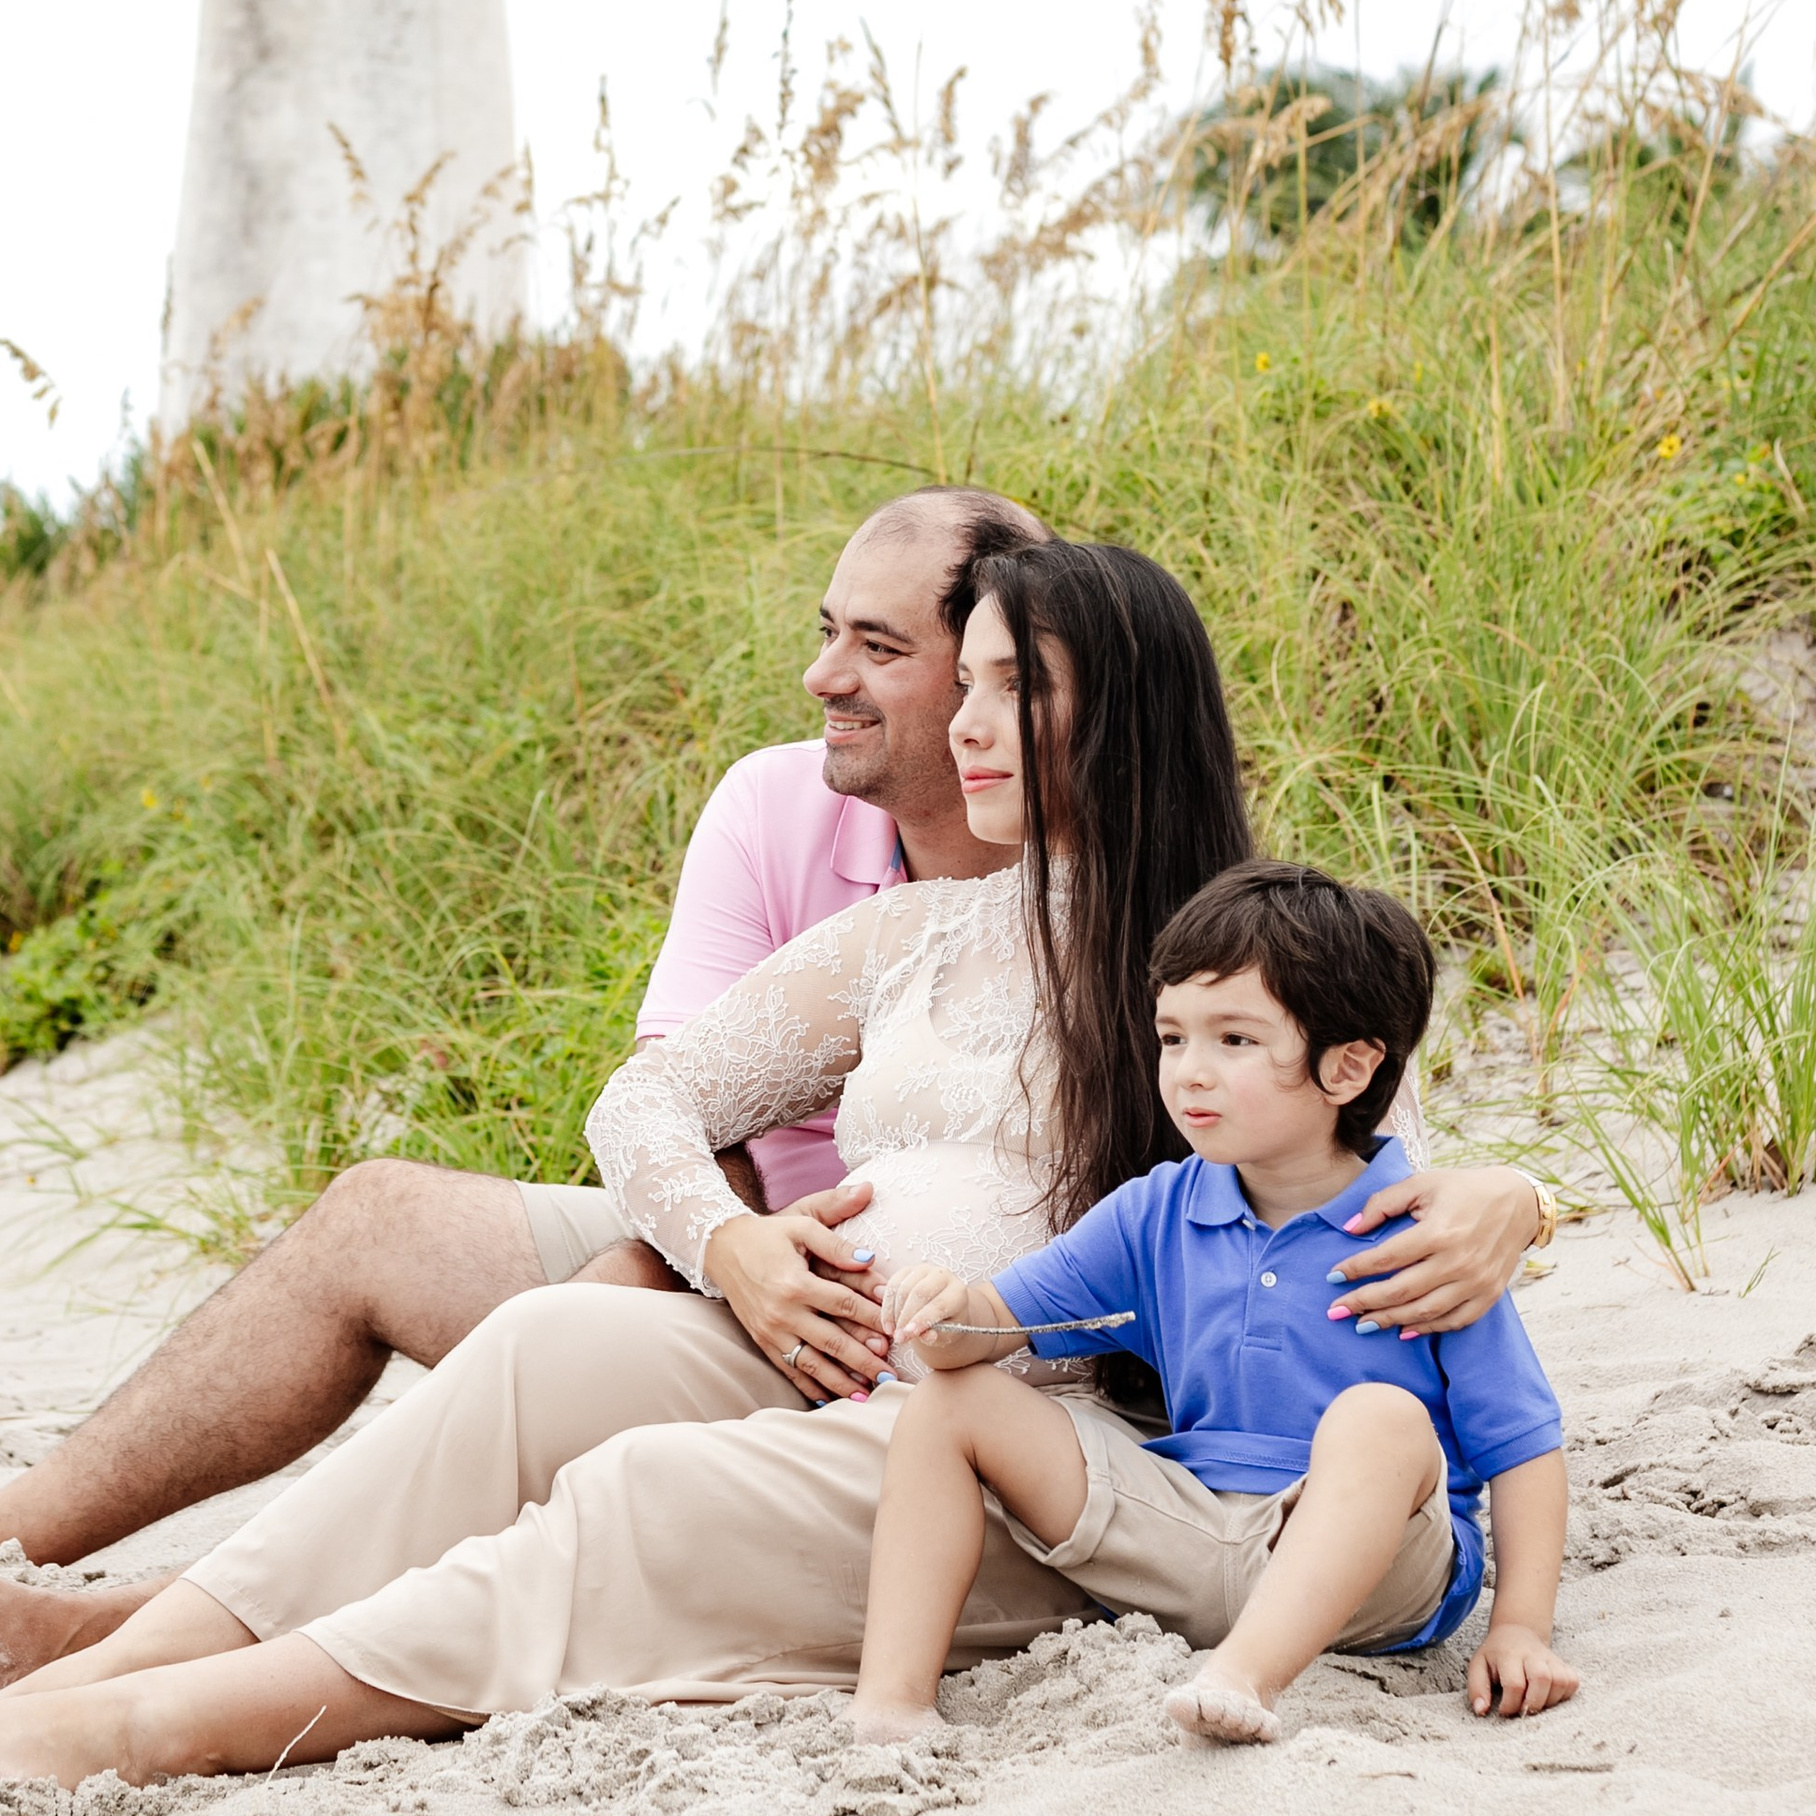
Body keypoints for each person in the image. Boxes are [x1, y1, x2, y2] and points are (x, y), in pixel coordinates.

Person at [0, 490, 1550, 1683]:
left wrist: (1513, 1194)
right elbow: (681, 1117)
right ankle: (41, 1557)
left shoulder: (1184, 919)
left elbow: (1315, 1133)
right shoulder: (788, 813)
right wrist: (737, 1261)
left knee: (607, 1327)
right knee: (489, 1250)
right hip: (765, 1267)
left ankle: (162, 1639)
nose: (837, 683)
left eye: (892, 651)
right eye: (836, 634)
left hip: (949, 1343)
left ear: (1026, 675)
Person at [851, 861, 1577, 1747]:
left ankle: (1244, 1676)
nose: (1190, 1073)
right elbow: (992, 1325)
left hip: (1379, 1571)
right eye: (1173, 1037)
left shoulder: (1424, 1237)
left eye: (1235, 1041)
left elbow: (1523, 1443)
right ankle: (891, 1701)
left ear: (1347, 1067)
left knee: (1382, 1417)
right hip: (1190, 1531)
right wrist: (944, 1309)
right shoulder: (1156, 1209)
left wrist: (1520, 1628)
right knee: (951, 1401)